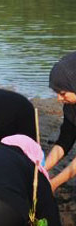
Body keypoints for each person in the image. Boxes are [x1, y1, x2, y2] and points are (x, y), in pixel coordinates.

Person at [45, 51, 76, 191]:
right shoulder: (70, 106)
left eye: (62, 93)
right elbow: (65, 140)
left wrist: (53, 184)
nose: (58, 98)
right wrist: (42, 168)